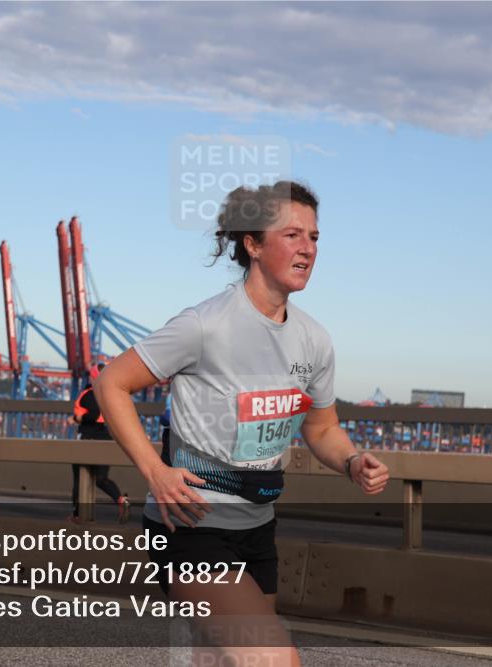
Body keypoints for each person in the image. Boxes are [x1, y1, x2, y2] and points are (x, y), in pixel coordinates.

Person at [94, 182, 390, 667]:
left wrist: (353, 460)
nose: (308, 248)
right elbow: (111, 384)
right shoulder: (205, 325)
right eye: (292, 234)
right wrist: (155, 471)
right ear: (252, 244)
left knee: (220, 660)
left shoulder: (314, 340)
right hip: (192, 524)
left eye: (315, 237)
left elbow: (321, 429)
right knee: (274, 660)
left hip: (257, 527)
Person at [68, 363, 130, 523]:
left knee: (79, 478)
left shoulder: (89, 393)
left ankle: (77, 514)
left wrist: (76, 418)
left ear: (95, 376)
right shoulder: (110, 393)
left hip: (87, 437)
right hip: (105, 437)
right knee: (102, 478)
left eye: (91, 374)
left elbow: (93, 414)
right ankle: (121, 500)